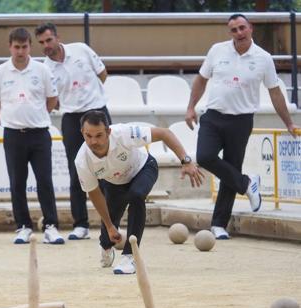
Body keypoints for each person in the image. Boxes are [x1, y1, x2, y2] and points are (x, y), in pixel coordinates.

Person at [185, 14, 299, 240]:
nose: (238, 33)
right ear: (230, 33)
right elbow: (201, 79)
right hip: (213, 116)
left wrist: (288, 122)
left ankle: (219, 224)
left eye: (242, 28)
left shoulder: (264, 58)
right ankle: (247, 183)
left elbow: (274, 92)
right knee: (205, 156)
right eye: (234, 30)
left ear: (250, 28)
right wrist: (191, 107)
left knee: (231, 167)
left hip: (241, 121)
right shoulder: (217, 50)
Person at [75, 110, 204, 274]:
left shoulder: (123, 133)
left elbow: (164, 133)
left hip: (143, 168)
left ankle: (130, 256)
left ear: (108, 131)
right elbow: (94, 194)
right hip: (114, 182)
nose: (94, 141)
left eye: (99, 135)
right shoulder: (82, 161)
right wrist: (109, 226)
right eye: (88, 136)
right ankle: (105, 246)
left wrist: (185, 160)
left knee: (136, 196)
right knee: (109, 229)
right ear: (82, 133)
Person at [0, 27, 65, 245]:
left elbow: (51, 100)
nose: (20, 51)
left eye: (24, 47)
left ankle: (51, 226)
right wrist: (10, 118)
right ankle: (23, 226)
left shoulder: (42, 70)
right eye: (16, 47)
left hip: (40, 133)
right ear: (10, 47)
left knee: (45, 181)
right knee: (17, 182)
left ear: (30, 46)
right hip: (13, 135)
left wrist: (36, 115)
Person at [34, 22, 112, 241]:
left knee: (108, 165)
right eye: (41, 43)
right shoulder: (44, 68)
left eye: (49, 40)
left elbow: (102, 74)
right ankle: (81, 224)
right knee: (76, 169)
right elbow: (53, 100)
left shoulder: (81, 49)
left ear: (58, 37)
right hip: (71, 118)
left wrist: (92, 98)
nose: (46, 46)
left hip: (98, 111)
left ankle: (111, 221)